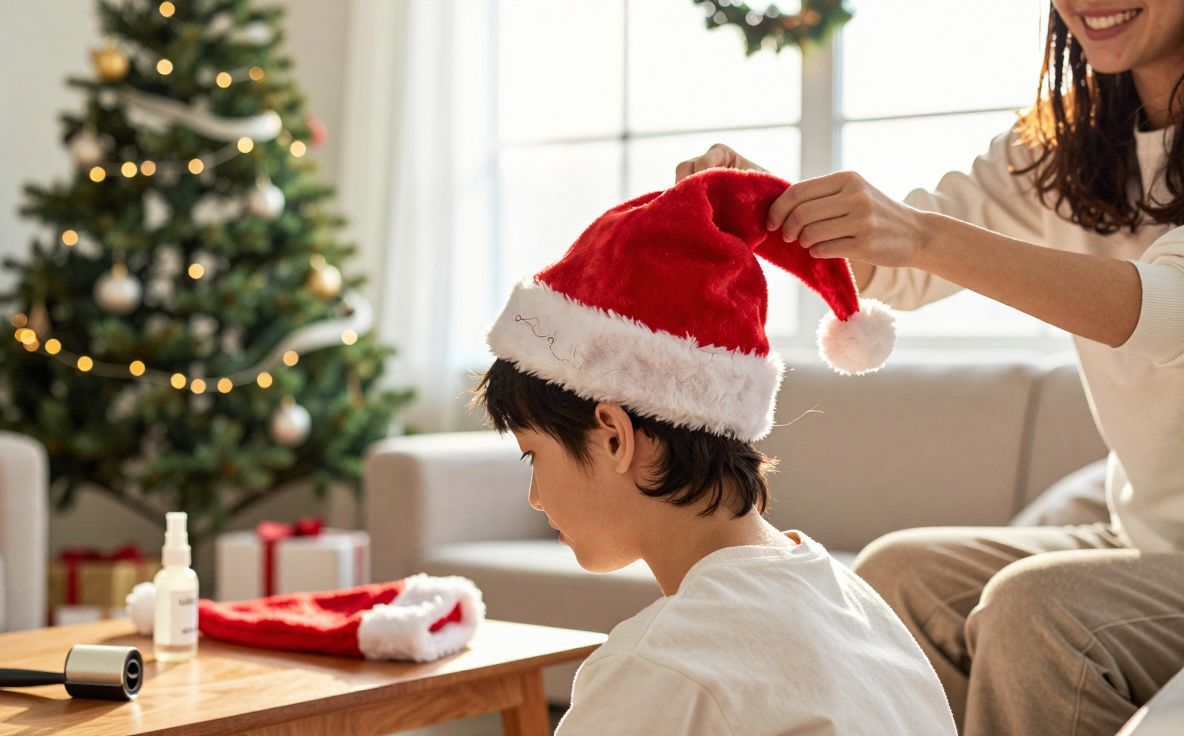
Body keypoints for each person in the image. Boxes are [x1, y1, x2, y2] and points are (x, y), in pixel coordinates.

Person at [675, 2, 1184, 734]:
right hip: (1142, 537)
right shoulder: (1064, 137)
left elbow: (1162, 311)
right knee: (897, 576)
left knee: (1032, 611)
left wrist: (919, 236)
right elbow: (903, 267)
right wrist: (772, 208)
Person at [473, 167, 954, 734]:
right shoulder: (864, 612)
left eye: (533, 456)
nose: (533, 497)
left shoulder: (658, 670)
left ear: (613, 435)